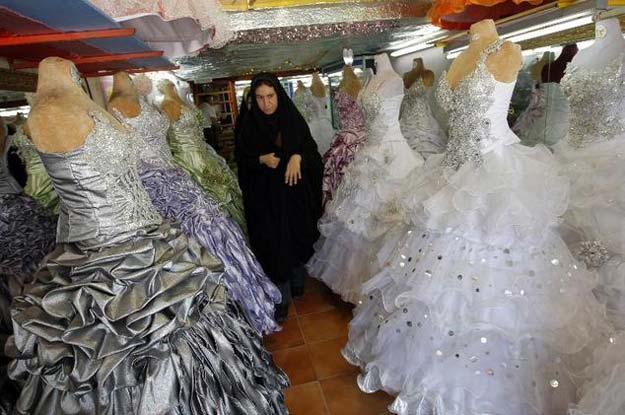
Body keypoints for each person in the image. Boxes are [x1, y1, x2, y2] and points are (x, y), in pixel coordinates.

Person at [236, 72, 323, 320]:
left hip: (294, 196)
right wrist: (261, 159)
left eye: (271, 96)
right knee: (274, 244)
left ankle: (297, 281)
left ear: (279, 94)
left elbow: (312, 152)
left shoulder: (292, 120)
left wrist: (298, 157)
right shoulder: (249, 126)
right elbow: (241, 161)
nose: (267, 103)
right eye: (261, 98)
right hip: (266, 201)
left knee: (296, 236)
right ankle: (281, 297)